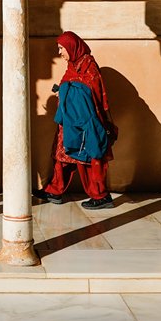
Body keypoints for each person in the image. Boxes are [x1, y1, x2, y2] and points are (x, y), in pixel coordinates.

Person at [33, 31, 117, 209]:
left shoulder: (89, 67)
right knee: (62, 156)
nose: (59, 52)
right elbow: (70, 87)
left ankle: (101, 196)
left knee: (89, 159)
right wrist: (63, 91)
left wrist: (65, 91)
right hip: (70, 122)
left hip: (86, 125)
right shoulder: (72, 66)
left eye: (62, 48)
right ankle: (54, 191)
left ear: (72, 47)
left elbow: (92, 95)